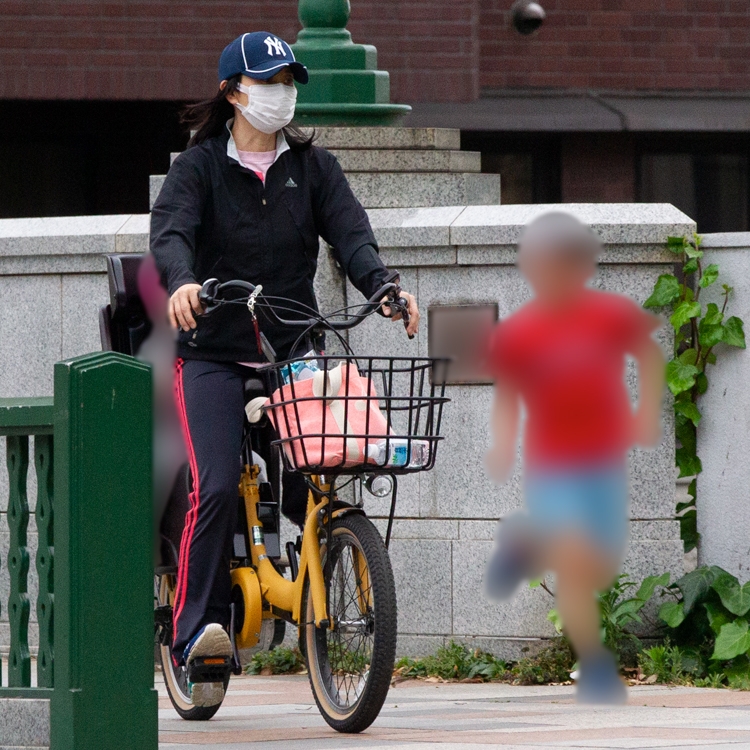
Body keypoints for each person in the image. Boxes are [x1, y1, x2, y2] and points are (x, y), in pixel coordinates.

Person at [150, 31, 419, 707]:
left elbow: (351, 235)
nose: (281, 93)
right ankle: (195, 633)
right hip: (213, 353)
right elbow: (172, 232)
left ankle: (321, 567)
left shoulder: (313, 166)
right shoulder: (200, 168)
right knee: (213, 489)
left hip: (296, 347)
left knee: (320, 474)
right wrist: (183, 283)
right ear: (233, 91)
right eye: (267, 81)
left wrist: (383, 287)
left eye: (287, 80)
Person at [483, 211, 665, 704]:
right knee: (573, 559)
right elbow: (507, 397)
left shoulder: (610, 314)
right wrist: (502, 445)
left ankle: (525, 545)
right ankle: (596, 665)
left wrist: (645, 413)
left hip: (604, 461)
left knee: (599, 569)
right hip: (554, 465)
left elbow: (649, 356)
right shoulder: (519, 332)